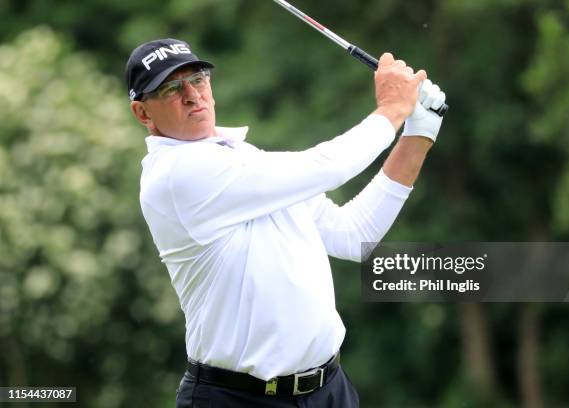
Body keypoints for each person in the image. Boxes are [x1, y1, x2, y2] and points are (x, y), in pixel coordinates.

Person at [125, 38, 446, 408]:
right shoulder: (175, 177)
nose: (192, 95)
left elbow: (354, 234)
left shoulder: (246, 159)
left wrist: (419, 132)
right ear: (143, 113)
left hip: (330, 391)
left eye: (197, 79)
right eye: (170, 88)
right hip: (238, 400)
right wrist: (392, 108)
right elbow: (331, 166)